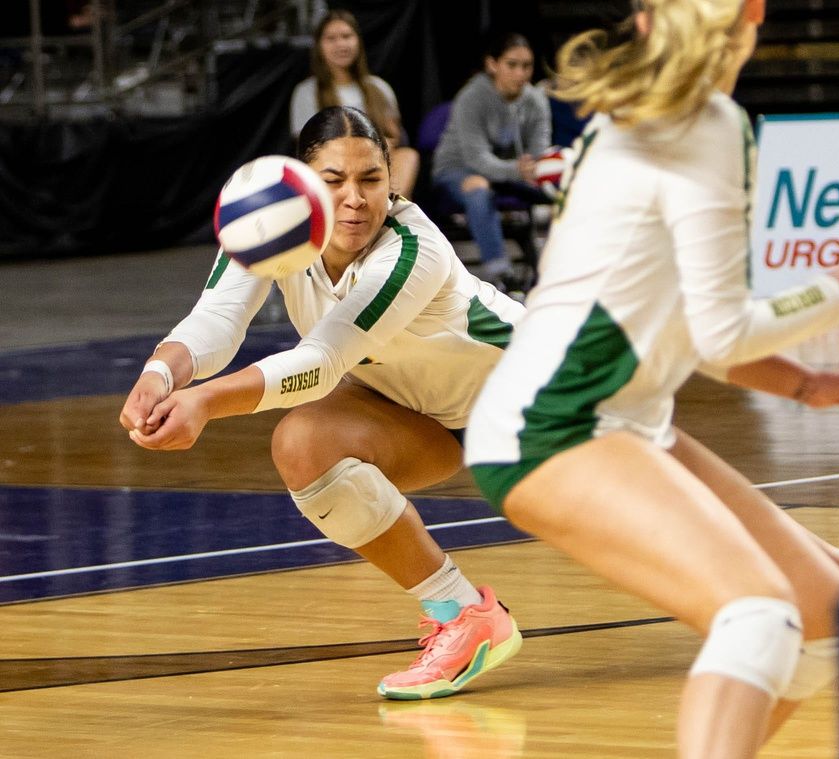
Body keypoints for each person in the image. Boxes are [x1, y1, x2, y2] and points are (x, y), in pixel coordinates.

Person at [464, 1, 839, 756]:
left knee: (824, 610)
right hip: (552, 423)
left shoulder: (629, 118)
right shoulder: (708, 123)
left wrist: (803, 381)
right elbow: (721, 328)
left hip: (614, 417)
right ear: (750, 20)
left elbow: (681, 324)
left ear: (643, 24)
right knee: (757, 613)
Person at [119, 105, 525, 701]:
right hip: (424, 415)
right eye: (334, 181)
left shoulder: (413, 248)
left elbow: (321, 363)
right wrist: (159, 374)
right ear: (306, 182)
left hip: (531, 394)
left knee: (643, 529)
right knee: (305, 445)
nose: (355, 199)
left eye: (371, 180)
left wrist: (203, 401)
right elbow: (218, 317)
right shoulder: (273, 222)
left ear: (393, 180)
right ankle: (465, 616)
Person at [431, 32, 552, 291]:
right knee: (478, 187)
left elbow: (539, 152)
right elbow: (476, 159)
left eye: (526, 66)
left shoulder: (536, 101)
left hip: (511, 172)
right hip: (459, 169)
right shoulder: (472, 96)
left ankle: (558, 270)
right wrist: (519, 170)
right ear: (492, 64)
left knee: (564, 189)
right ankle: (502, 275)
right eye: (512, 65)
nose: (520, 73)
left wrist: (541, 171)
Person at [290, 10, 420, 199]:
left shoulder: (379, 88)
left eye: (346, 36)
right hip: (333, 167)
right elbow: (307, 149)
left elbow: (395, 138)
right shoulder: (306, 92)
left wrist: (381, 147)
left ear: (357, 41)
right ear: (319, 46)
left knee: (408, 156)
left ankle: (388, 214)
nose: (341, 44)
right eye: (332, 38)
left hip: (376, 164)